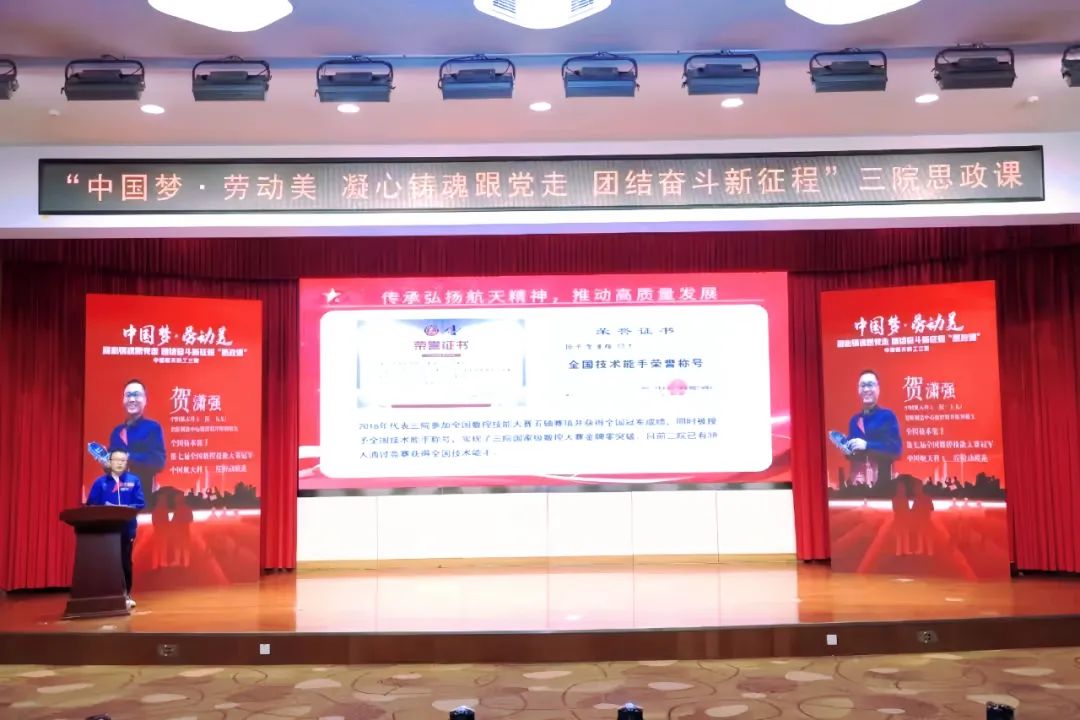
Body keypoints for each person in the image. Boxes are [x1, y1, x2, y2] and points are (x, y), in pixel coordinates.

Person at [86, 449, 146, 608]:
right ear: (109, 462)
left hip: (127, 528)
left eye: (123, 460)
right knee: (107, 562)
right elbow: (91, 504)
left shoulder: (133, 480)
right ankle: (106, 596)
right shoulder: (100, 483)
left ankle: (126, 595)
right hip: (105, 529)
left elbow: (140, 503)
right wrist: (105, 508)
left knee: (125, 562)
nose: (119, 463)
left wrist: (123, 509)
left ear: (126, 463)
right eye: (116, 460)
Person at [842, 369, 902, 491]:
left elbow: (897, 449)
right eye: (862, 385)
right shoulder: (854, 420)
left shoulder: (887, 416)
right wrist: (846, 449)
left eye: (870, 385)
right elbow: (854, 456)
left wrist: (867, 445)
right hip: (858, 487)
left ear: (878, 389)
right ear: (858, 390)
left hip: (882, 487)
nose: (866, 389)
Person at [108, 379, 166, 502]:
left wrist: (128, 457)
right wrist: (105, 461)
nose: (132, 399)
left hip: (143, 500)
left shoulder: (152, 428)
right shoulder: (117, 431)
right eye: (128, 395)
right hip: (117, 500)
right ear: (123, 400)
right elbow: (110, 469)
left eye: (136, 395)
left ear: (145, 400)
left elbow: (159, 462)